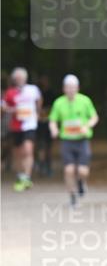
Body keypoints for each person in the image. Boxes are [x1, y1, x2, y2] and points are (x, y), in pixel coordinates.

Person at [49, 75, 99, 206]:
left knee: (83, 171)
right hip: (67, 141)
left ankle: (81, 182)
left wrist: (87, 126)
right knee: (69, 170)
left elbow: (94, 117)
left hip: (82, 140)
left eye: (73, 87)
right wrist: (54, 129)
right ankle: (72, 197)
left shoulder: (85, 100)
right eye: (68, 87)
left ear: (77, 88)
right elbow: (53, 120)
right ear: (64, 89)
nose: (70, 90)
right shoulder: (58, 102)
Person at [1, 67, 41, 191]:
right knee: (17, 153)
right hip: (16, 126)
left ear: (25, 78)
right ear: (14, 79)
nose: (20, 80)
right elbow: (3, 107)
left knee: (28, 150)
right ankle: (20, 175)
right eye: (17, 78)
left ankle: (27, 177)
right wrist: (9, 109)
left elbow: (39, 100)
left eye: (22, 77)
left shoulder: (33, 89)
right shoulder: (10, 92)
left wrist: (37, 113)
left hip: (30, 125)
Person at [36, 74, 55, 177]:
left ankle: (47, 166)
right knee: (41, 146)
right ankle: (41, 165)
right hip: (40, 123)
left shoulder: (51, 93)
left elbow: (54, 107)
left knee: (48, 147)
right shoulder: (37, 92)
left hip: (48, 122)